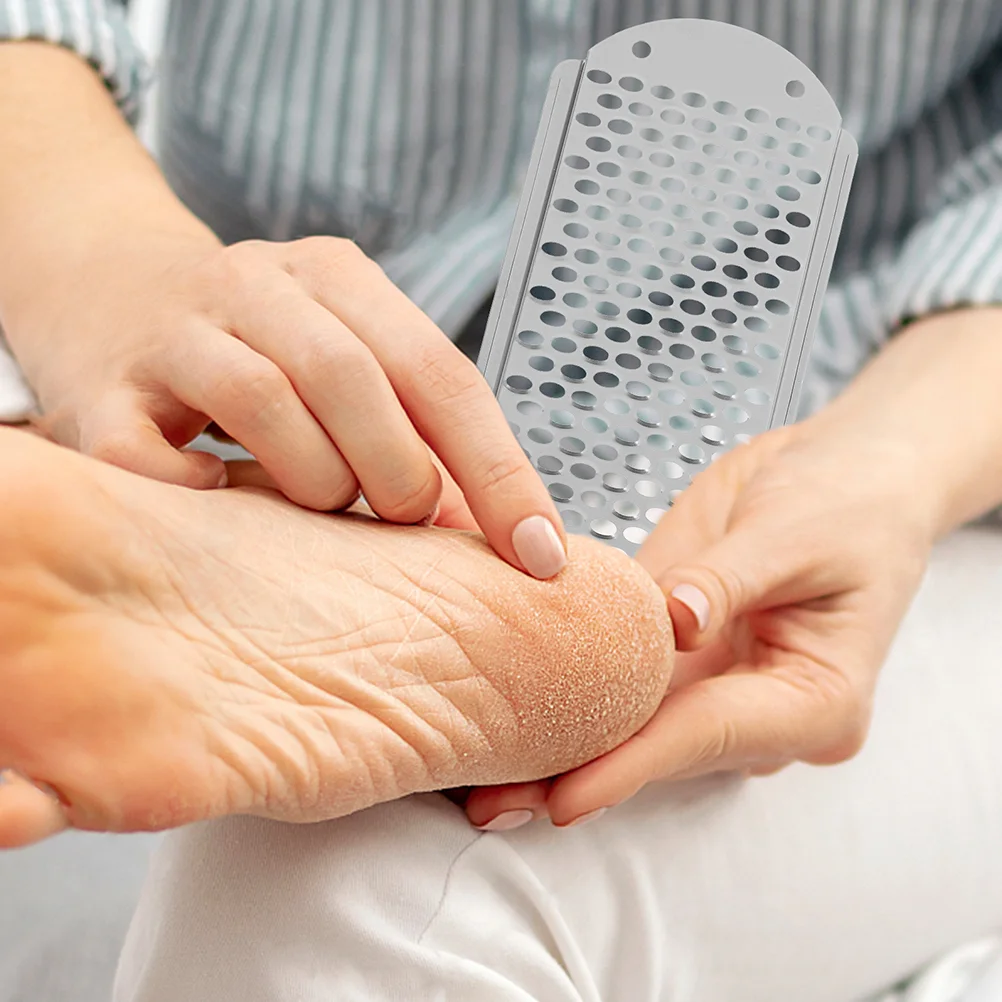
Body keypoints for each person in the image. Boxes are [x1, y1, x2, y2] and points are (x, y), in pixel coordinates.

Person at [1, 0, 1002, 999]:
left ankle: (271, 553)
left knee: (369, 887)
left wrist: (891, 464)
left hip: (860, 458)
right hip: (286, 382)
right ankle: (326, 568)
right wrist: (109, 266)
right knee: (357, 903)